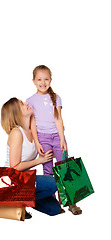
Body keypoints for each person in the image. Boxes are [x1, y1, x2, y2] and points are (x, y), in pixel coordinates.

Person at [26, 65, 82, 215]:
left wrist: (62, 139)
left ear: (51, 80)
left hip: (57, 136)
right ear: (33, 81)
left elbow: (58, 119)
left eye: (46, 79)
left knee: (65, 168)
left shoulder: (56, 97)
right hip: (43, 138)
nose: (43, 82)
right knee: (47, 170)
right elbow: (32, 124)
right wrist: (37, 142)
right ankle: (53, 202)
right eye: (39, 79)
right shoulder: (30, 100)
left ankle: (71, 202)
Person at [1, 97, 64, 218]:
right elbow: (15, 167)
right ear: (16, 113)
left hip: (25, 182)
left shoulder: (33, 130)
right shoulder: (16, 133)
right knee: (54, 182)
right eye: (22, 104)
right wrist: (39, 161)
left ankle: (21, 202)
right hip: (12, 181)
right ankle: (14, 201)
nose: (27, 103)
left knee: (54, 209)